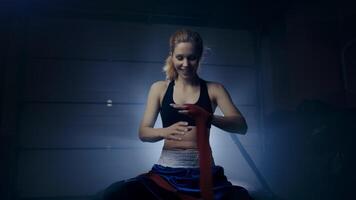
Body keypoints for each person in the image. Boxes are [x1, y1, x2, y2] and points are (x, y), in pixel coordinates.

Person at [98, 29, 253, 200]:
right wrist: (164, 132)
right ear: (172, 56)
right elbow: (143, 132)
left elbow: (241, 126)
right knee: (116, 194)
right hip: (166, 174)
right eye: (180, 57)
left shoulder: (214, 89)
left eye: (191, 57)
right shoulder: (159, 88)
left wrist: (207, 116)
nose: (185, 64)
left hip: (205, 174)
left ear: (200, 57)